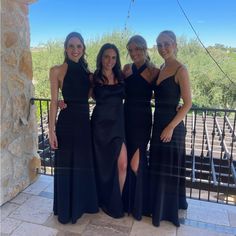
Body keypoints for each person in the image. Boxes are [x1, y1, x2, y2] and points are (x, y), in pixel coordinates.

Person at [49, 32, 98, 224]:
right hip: (67, 123)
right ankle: (66, 208)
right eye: (71, 46)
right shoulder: (57, 70)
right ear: (65, 48)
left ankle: (81, 205)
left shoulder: (89, 74)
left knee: (81, 164)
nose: (75, 50)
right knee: (66, 164)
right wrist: (51, 130)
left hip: (84, 123)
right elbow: (53, 102)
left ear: (83, 49)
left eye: (79, 46)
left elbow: (95, 96)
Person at [149, 30, 192, 227]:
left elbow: (188, 103)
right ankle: (159, 205)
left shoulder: (180, 69)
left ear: (175, 44)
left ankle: (165, 211)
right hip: (158, 123)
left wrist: (170, 127)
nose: (163, 48)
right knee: (159, 166)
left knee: (167, 167)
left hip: (171, 127)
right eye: (159, 44)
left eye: (166, 43)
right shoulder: (162, 67)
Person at [122, 35, 159, 220]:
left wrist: (176, 105)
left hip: (142, 120)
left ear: (144, 49)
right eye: (131, 50)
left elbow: (165, 93)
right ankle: (127, 203)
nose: (134, 53)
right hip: (125, 117)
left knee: (136, 163)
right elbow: (112, 85)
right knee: (126, 160)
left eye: (137, 49)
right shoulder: (126, 69)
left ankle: (141, 206)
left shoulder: (154, 71)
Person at [91, 43, 127, 218]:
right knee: (101, 166)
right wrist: (62, 102)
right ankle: (101, 199)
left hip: (118, 126)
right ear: (101, 57)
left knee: (122, 165)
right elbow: (81, 96)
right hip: (99, 127)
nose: (110, 61)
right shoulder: (93, 77)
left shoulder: (122, 75)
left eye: (113, 57)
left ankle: (116, 201)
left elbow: (140, 93)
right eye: (106, 56)